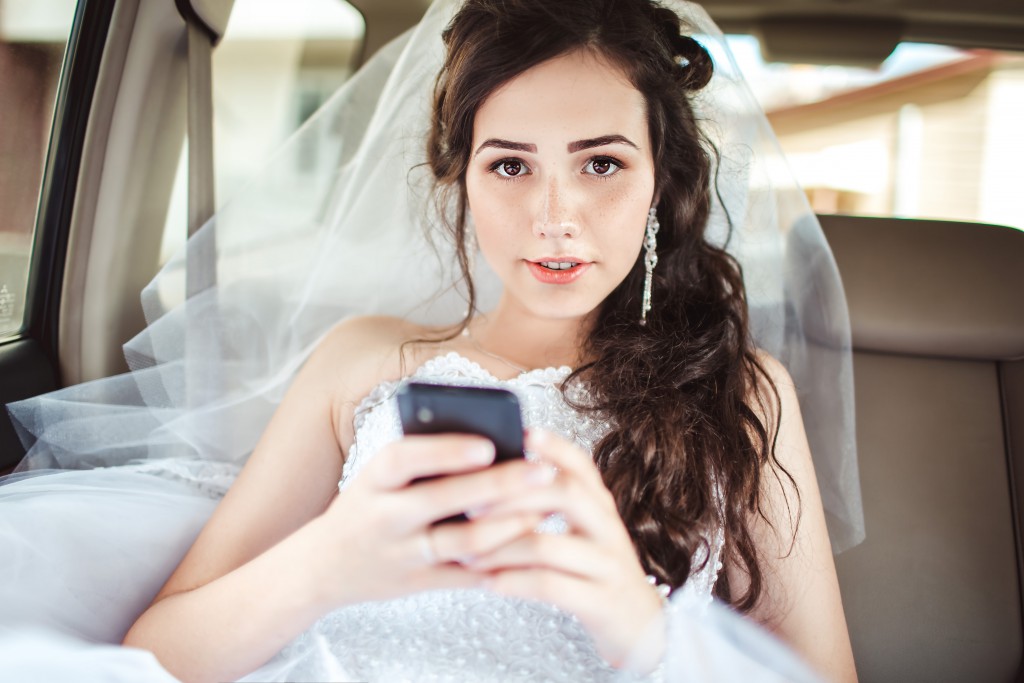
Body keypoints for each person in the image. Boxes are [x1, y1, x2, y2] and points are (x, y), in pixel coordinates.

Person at [0, 0, 863, 681]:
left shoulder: (744, 391)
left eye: (601, 163)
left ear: (660, 184)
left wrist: (643, 633)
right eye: (510, 164)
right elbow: (159, 652)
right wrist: (330, 560)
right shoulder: (362, 360)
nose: (553, 217)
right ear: (462, 181)